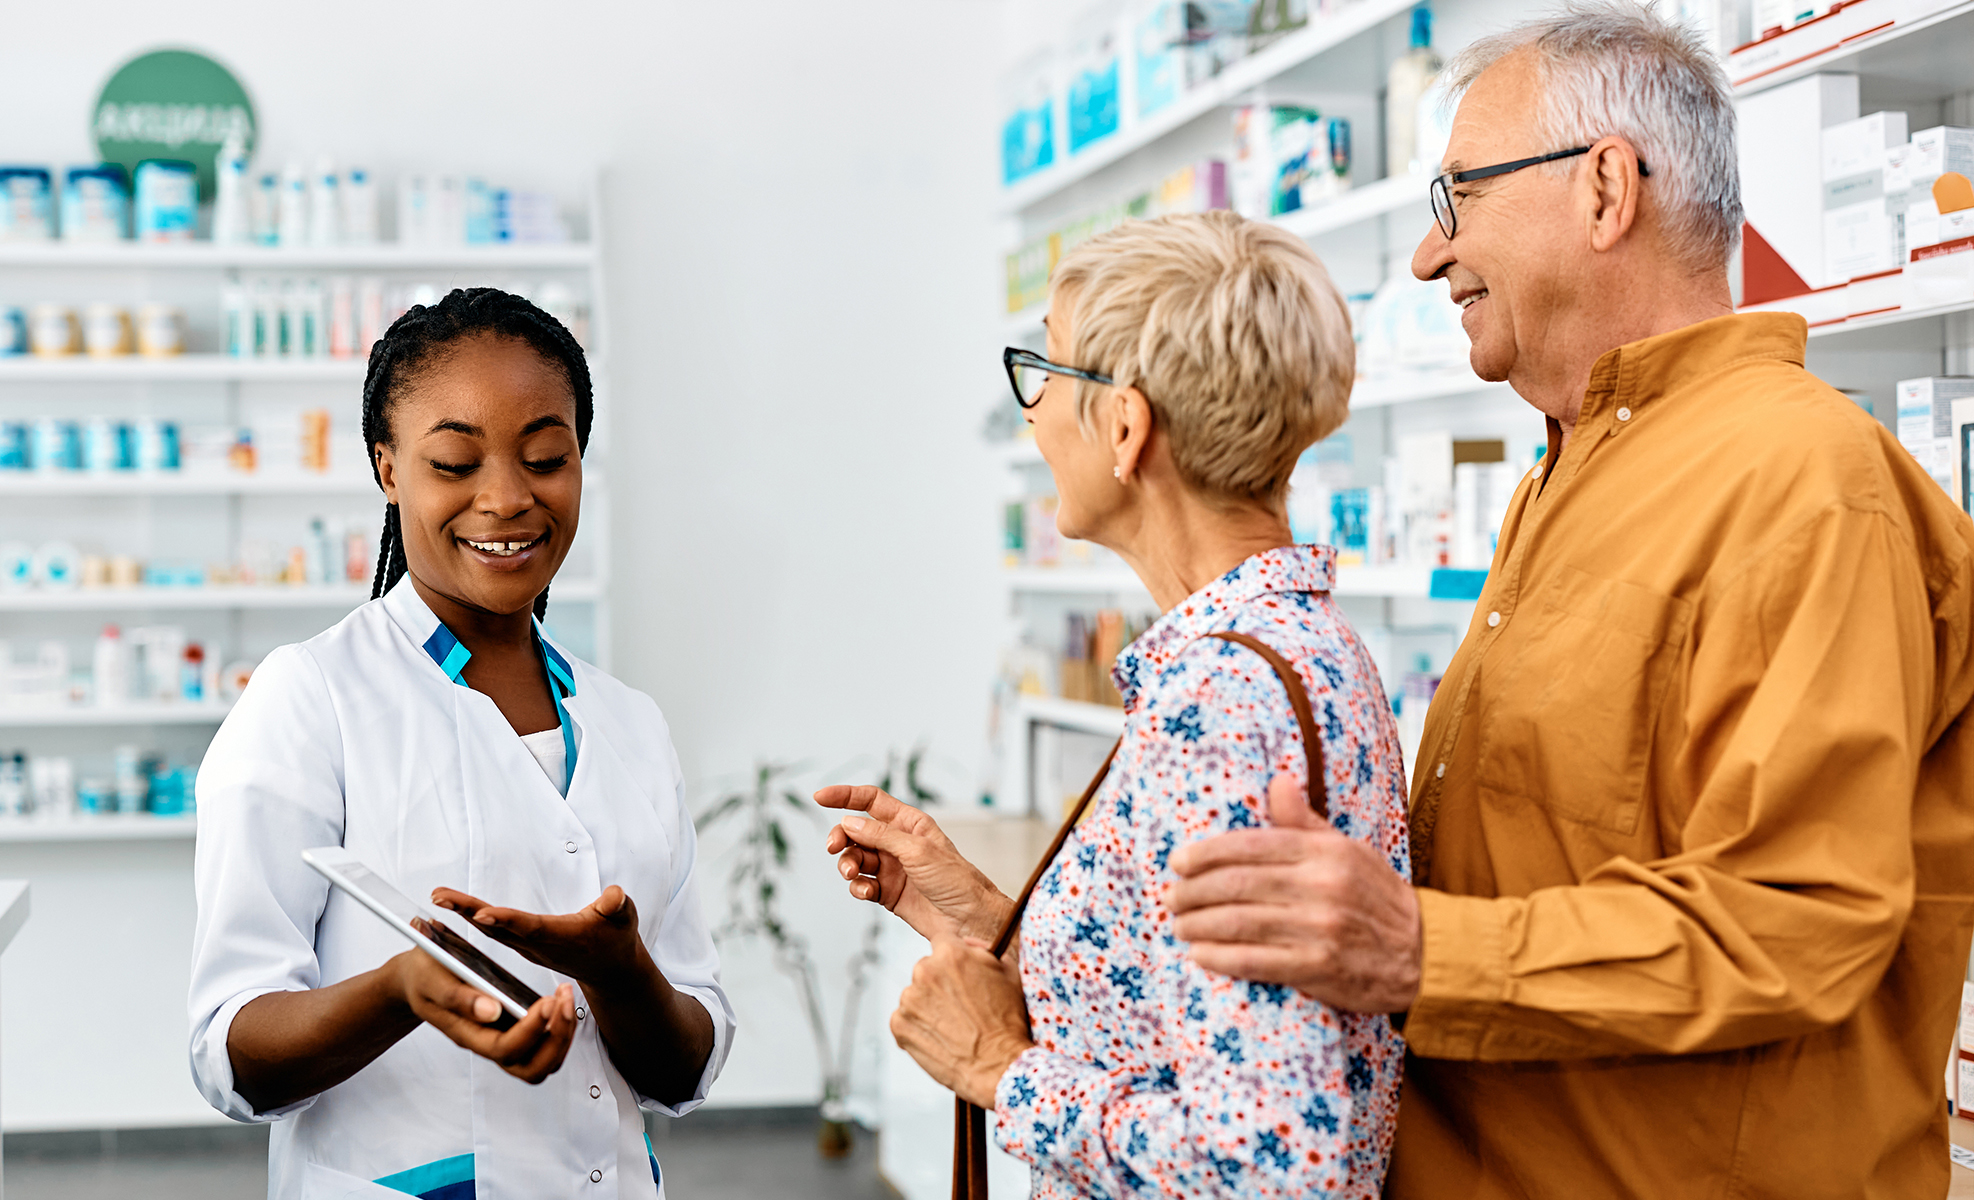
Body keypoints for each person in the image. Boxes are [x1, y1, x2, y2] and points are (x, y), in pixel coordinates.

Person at [1161, 6, 1974, 1197]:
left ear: (1604, 191)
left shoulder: (1804, 485)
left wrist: (1414, 945)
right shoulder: (1564, 477)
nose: (1428, 259)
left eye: (1458, 200)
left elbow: (1797, 919)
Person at [818, 211, 1410, 1197]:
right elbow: (1181, 1021)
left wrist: (997, 1069)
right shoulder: (1280, 648)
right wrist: (981, 917)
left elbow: (1271, 1173)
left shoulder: (1226, 698)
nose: (1033, 412)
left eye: (1046, 373)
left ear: (1126, 428)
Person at [188, 288, 733, 1200]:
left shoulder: (629, 723)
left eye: (546, 457)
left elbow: (683, 1073)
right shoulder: (311, 698)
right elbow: (230, 1052)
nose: (508, 498)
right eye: (454, 460)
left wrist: (622, 973)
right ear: (387, 468)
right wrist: (402, 990)